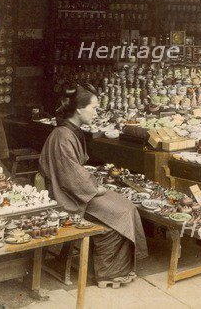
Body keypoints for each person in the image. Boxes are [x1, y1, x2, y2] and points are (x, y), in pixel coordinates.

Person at [39, 83, 147, 287]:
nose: (96, 112)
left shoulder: (71, 131)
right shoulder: (62, 135)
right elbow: (70, 175)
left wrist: (94, 184)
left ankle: (119, 268)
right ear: (79, 109)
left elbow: (74, 170)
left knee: (128, 206)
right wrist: (95, 188)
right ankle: (109, 273)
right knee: (121, 213)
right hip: (68, 195)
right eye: (94, 108)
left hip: (75, 188)